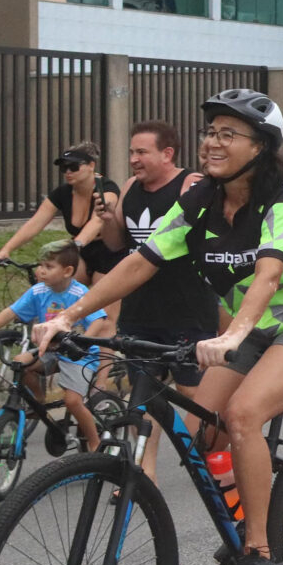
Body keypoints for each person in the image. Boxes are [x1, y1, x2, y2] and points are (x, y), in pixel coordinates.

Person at [33, 89, 283, 565]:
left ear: (261, 146)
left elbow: (269, 274)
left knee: (244, 415)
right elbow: (138, 262)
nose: (212, 143)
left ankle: (260, 554)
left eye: (228, 134)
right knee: (205, 435)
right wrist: (69, 314)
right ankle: (273, 505)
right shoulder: (199, 201)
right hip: (249, 328)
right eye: (210, 132)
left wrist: (232, 334)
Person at [96, 120, 217, 482]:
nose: (133, 159)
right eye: (131, 152)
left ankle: (218, 466)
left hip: (187, 311)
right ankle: (143, 473)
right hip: (140, 311)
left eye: (141, 152)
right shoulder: (132, 187)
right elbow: (118, 244)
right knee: (143, 396)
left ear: (167, 154)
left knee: (193, 393)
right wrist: (106, 220)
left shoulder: (191, 185)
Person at [0, 239, 113, 453]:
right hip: (48, 350)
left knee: (73, 401)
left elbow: (98, 320)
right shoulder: (38, 291)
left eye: (48, 267)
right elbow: (11, 312)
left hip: (79, 355)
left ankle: (94, 441)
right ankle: (38, 398)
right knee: (20, 363)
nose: (41, 271)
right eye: (41, 265)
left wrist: (82, 340)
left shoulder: (80, 293)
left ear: (67, 271)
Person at [0, 142, 123, 290]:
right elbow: (35, 223)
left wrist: (74, 245)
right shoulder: (62, 193)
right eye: (64, 168)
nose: (68, 172)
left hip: (109, 252)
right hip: (81, 253)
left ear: (91, 165)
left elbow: (98, 221)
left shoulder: (107, 189)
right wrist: (5, 250)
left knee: (101, 303)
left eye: (74, 167)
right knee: (53, 288)